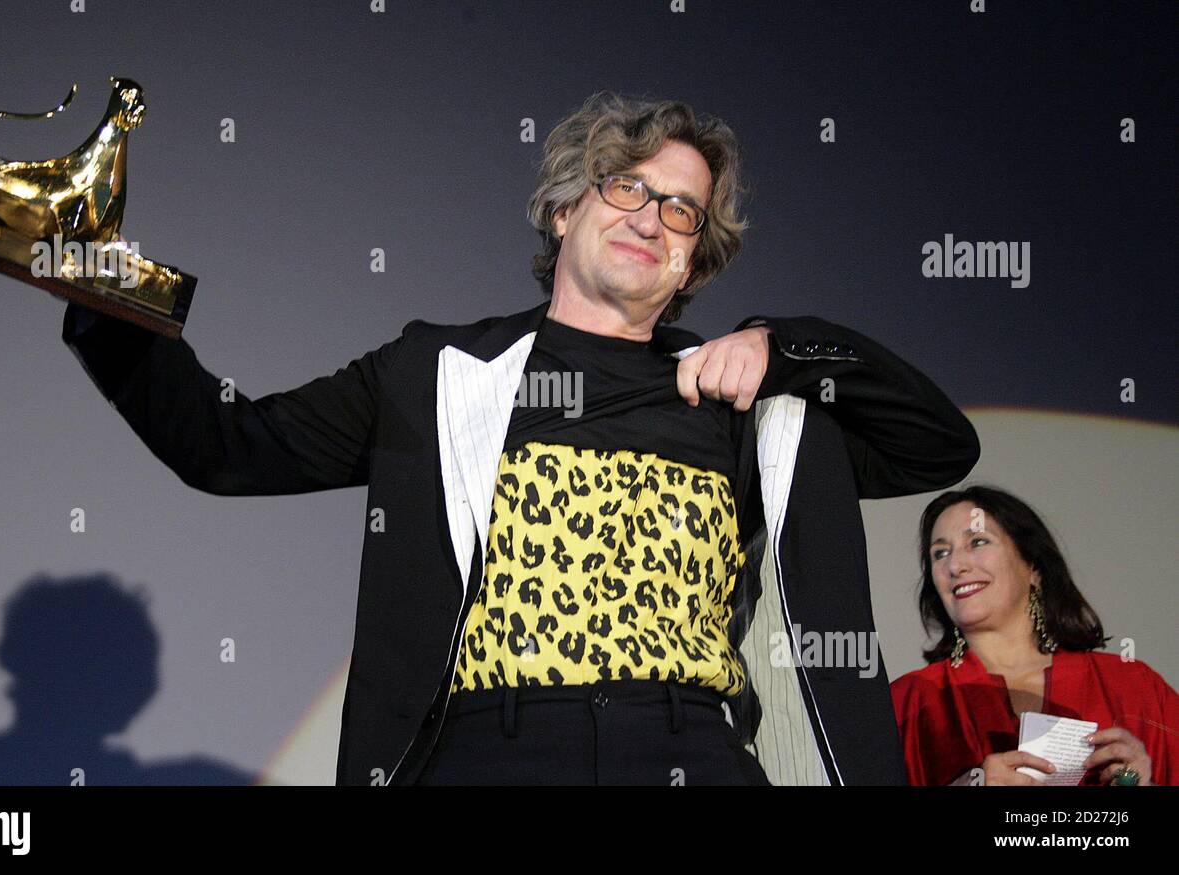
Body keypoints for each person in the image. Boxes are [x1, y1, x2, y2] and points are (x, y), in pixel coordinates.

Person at [63, 91, 979, 785]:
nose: (651, 217)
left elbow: (935, 444)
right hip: (487, 750)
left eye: (681, 210)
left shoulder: (740, 398)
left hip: (687, 747)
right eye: (629, 186)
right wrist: (98, 284)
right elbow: (227, 447)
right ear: (565, 209)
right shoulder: (433, 372)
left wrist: (782, 342)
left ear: (694, 258)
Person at [891, 485, 1179, 786]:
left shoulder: (1133, 685)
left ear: (1033, 566)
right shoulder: (907, 702)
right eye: (940, 553)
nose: (955, 565)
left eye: (977, 541)